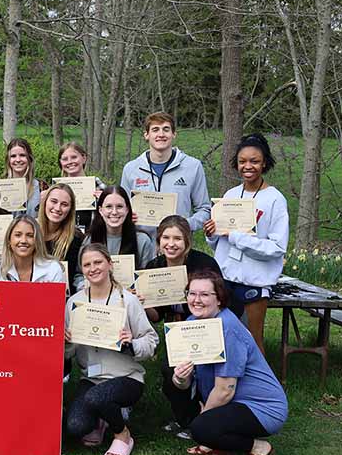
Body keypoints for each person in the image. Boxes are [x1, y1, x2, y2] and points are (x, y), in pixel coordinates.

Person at [169, 270, 287, 455]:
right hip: (231, 402)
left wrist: (203, 423)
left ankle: (259, 447)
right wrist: (180, 377)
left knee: (200, 428)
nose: (196, 300)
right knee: (200, 422)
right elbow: (183, 385)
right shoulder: (190, 324)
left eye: (205, 295)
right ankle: (215, 439)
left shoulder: (228, 327)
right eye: (192, 293)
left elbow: (225, 391)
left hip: (262, 407)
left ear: (220, 300)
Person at [142, 215, 242, 439]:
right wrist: (143, 304)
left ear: (187, 241)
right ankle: (184, 419)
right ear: (158, 241)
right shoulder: (153, 267)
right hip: (175, 331)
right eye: (165, 237)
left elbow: (223, 301)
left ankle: (205, 418)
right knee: (171, 373)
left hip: (207, 329)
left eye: (177, 238)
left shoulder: (203, 264)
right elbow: (156, 316)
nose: (171, 243)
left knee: (201, 374)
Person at [64, 244, 159, 455]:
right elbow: (69, 353)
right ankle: (102, 418)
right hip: (92, 378)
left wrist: (131, 344)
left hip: (126, 378)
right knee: (76, 426)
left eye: (98, 262)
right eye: (86, 264)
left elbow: (151, 340)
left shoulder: (128, 300)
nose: (93, 268)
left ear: (110, 264)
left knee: (97, 397)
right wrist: (67, 341)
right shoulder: (74, 303)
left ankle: (122, 434)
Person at [204, 134, 289, 354]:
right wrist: (212, 234)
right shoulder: (231, 194)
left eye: (254, 161)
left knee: (253, 340)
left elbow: (277, 248)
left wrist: (236, 237)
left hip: (254, 281)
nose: (247, 166)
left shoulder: (274, 199)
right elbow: (220, 245)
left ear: (264, 163)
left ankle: (260, 386)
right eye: (242, 161)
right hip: (226, 278)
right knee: (222, 339)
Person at [120, 112, 211, 241]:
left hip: (177, 247)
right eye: (155, 129)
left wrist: (186, 224)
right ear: (146, 135)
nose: (161, 134)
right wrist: (127, 217)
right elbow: (122, 208)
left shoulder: (193, 166)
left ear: (174, 134)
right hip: (141, 245)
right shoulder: (131, 169)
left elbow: (205, 209)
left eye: (166, 129)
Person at [83, 185, 155, 269]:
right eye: (109, 206)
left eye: (119, 206)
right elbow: (80, 275)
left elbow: (146, 277)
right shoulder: (89, 241)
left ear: (127, 209)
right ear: (100, 210)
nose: (114, 212)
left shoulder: (142, 241)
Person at [0, 215, 65, 282]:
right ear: (9, 240)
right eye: (18, 235)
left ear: (37, 241)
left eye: (30, 235)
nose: (23, 240)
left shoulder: (52, 268)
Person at [38, 183, 84, 291]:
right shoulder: (30, 233)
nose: (58, 208)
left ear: (70, 209)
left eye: (64, 204)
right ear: (45, 202)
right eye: (53, 201)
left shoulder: (77, 239)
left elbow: (80, 276)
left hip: (64, 300)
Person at [4, 138, 47, 217]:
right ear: (8, 160)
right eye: (13, 156)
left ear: (29, 158)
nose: (18, 160)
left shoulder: (42, 186)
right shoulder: (0, 187)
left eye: (22, 155)